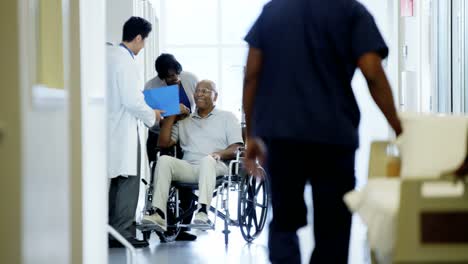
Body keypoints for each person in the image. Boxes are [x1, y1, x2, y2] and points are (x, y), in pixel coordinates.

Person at [243, 1, 403, 263]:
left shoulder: (273, 10)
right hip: (334, 134)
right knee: (334, 227)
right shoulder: (351, 11)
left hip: (282, 133)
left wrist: (252, 134)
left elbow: (252, 74)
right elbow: (373, 71)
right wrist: (398, 127)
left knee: (284, 220)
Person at [142, 80, 243, 231]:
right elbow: (163, 143)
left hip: (216, 165)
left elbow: (237, 147)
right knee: (163, 160)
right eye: (197, 91)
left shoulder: (227, 117)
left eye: (205, 91)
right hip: (189, 167)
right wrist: (172, 115)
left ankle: (202, 212)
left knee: (207, 160)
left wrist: (218, 154)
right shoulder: (184, 121)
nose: (200, 94)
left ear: (216, 96)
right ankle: (159, 214)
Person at [107, 16, 164, 248]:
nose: (143, 46)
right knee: (128, 181)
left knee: (115, 180)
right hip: (123, 129)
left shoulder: (109, 56)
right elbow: (132, 100)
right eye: (145, 41)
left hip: (112, 127)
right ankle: (123, 233)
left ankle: (112, 231)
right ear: (138, 38)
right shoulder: (126, 61)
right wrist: (153, 115)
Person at [144, 54, 199, 241]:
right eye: (169, 77)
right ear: (161, 77)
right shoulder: (151, 87)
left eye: (176, 75)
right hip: (159, 134)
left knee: (186, 177)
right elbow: (150, 121)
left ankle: (183, 226)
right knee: (161, 176)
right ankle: (165, 222)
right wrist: (173, 114)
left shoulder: (190, 79)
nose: (174, 79)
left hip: (186, 134)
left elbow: (199, 108)